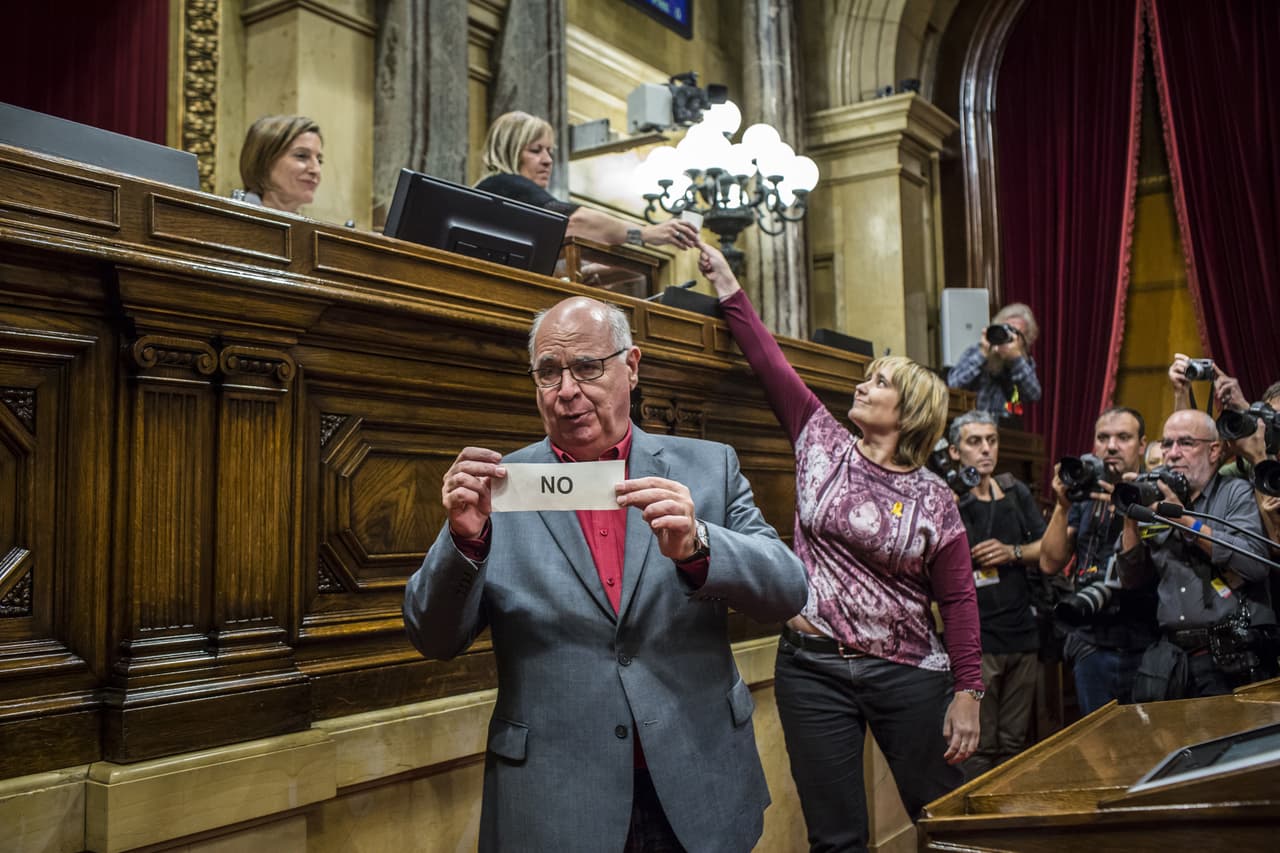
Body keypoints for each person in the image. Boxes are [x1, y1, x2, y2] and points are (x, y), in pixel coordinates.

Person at [402, 295, 808, 853]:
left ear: (632, 366)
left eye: (588, 367)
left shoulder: (708, 467)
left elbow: (788, 589)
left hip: (698, 782)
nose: (568, 389)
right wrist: (464, 541)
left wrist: (700, 546)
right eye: (549, 372)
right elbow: (433, 637)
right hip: (556, 800)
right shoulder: (498, 488)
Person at [700, 241, 982, 851]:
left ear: (907, 413)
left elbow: (958, 601)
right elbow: (769, 361)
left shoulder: (935, 498)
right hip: (812, 668)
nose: (862, 384)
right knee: (836, 838)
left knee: (946, 819)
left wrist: (968, 692)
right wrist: (728, 286)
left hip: (907, 674)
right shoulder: (818, 439)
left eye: (878, 382)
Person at [1116, 409, 1278, 697]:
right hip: (1173, 658)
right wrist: (1130, 514)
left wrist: (1181, 518)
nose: (1173, 453)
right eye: (1167, 444)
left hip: (1232, 655)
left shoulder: (1235, 493)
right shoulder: (1154, 499)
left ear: (1214, 450)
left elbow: (1255, 563)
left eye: (1186, 443)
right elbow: (1130, 579)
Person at [1038, 407, 1159, 715]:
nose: (1112, 446)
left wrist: (1129, 505)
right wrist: (1062, 505)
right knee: (1099, 746)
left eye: (1124, 437)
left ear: (1142, 444)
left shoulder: (1153, 491)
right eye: (1103, 438)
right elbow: (1050, 563)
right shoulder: (1086, 495)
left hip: (1145, 642)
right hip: (1091, 638)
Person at [947, 410, 1046, 778]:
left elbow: (1048, 550)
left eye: (992, 440)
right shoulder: (948, 498)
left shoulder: (1015, 491)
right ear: (956, 452)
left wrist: (1012, 552)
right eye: (975, 442)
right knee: (979, 746)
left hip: (1021, 631)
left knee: (1014, 744)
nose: (986, 449)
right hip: (977, 639)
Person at [477, 111, 698, 250]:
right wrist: (646, 233)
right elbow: (574, 221)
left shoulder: (496, 192)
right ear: (508, 150)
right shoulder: (504, 184)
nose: (548, 160)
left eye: (549, 151)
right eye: (535, 150)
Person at [947, 303, 1042, 420]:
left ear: (1025, 340)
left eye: (1015, 333)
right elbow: (953, 385)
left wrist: (1016, 359)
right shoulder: (977, 351)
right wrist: (983, 354)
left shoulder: (1023, 362)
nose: (1008, 336)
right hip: (972, 425)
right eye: (1005, 329)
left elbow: (1033, 394)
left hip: (1006, 430)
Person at [236, 115, 323, 214]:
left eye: (319, 160)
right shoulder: (227, 221)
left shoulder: (308, 228)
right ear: (265, 161)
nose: (316, 170)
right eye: (301, 156)